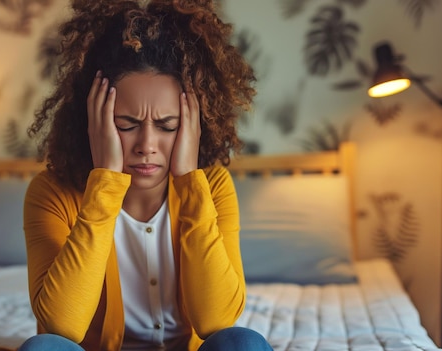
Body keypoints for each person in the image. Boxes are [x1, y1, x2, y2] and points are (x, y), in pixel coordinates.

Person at [21, 0, 272, 350]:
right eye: (127, 125)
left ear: (192, 126)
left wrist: (188, 181)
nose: (147, 145)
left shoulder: (212, 188)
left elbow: (217, 320)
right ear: (94, 122)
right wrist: (105, 181)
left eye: (168, 126)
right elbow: (60, 325)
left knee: (244, 343)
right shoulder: (52, 193)